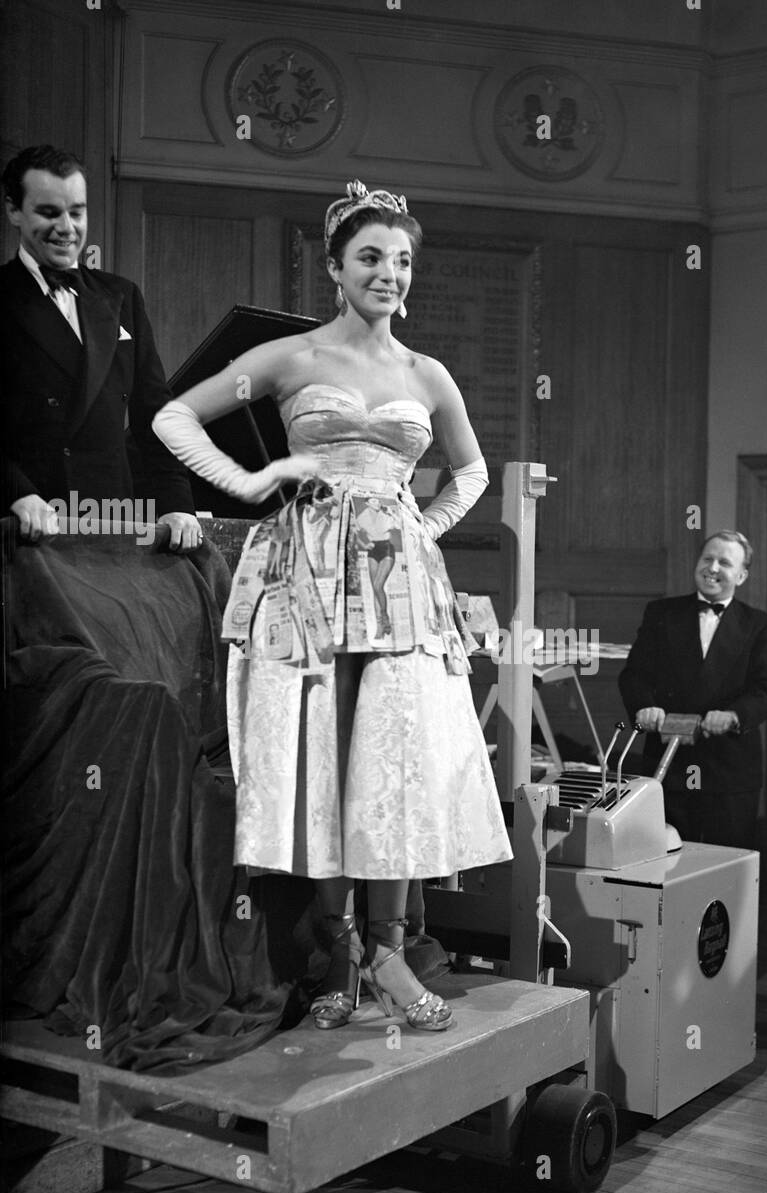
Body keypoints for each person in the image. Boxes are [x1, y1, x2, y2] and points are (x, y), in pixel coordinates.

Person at [153, 180, 512, 1033]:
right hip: (307, 571)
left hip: (399, 585)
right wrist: (253, 482)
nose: (390, 274)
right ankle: (339, 952)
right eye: (371, 258)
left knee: (394, 755)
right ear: (334, 268)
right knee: (325, 749)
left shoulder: (427, 374)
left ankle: (388, 950)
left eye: (401, 261)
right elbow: (174, 417)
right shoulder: (296, 359)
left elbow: (472, 471)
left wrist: (423, 527)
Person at [1, 145, 198, 549]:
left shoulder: (121, 295)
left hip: (111, 523)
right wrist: (16, 493)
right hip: (27, 527)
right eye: (49, 213)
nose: (67, 228)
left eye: (77, 212)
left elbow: (156, 415)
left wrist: (176, 503)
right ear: (14, 211)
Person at [618, 530, 767, 849]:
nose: (713, 568)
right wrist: (645, 707)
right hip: (669, 764)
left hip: (730, 770)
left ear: (742, 575)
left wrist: (734, 715)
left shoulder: (761, 625)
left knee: (726, 865)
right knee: (665, 859)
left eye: (724, 562)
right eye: (707, 558)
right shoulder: (661, 613)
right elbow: (634, 675)